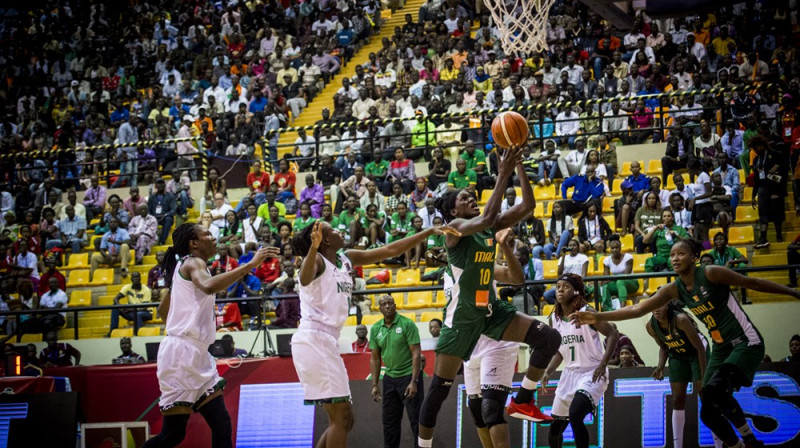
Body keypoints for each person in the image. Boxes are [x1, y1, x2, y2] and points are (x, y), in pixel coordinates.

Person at [570, 238, 800, 448]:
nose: (675, 258)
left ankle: (750, 440)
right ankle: (740, 444)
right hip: (721, 347)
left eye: (681, 254)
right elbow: (638, 308)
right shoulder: (674, 289)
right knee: (708, 414)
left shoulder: (711, 273)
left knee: (717, 390)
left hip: (744, 341)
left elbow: (754, 283)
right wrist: (599, 316)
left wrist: (792, 292)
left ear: (694, 257)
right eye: (672, 255)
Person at [419, 147, 562, 448]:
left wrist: (519, 166)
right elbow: (485, 219)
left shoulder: (486, 228)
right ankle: (423, 445)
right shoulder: (454, 229)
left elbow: (528, 206)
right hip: (462, 318)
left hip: (490, 311)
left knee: (548, 338)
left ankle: (523, 399)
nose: (470, 196)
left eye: (470, 194)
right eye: (463, 197)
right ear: (453, 211)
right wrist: (503, 172)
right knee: (439, 390)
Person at [291, 218, 457, 448]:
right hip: (313, 339)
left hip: (326, 341)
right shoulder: (317, 260)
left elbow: (389, 249)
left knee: (343, 420)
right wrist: (312, 247)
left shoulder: (346, 258)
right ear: (324, 239)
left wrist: (427, 232)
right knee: (342, 418)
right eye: (333, 229)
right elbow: (304, 278)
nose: (339, 229)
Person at [141, 224, 276, 448]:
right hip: (181, 354)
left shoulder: (183, 268)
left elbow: (163, 312)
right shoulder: (194, 262)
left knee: (219, 424)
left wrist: (184, 322)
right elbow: (208, 287)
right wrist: (250, 265)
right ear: (194, 243)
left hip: (192, 351)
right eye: (208, 235)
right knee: (173, 434)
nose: (214, 239)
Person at [462, 228, 526, 448]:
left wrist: (504, 246)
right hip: (471, 344)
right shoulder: (448, 273)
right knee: (476, 410)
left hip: (494, 340)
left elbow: (517, 279)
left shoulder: (484, 266)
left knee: (491, 409)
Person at [542, 273, 619, 448]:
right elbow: (560, 352)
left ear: (576, 291)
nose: (560, 289)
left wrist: (603, 363)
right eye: (558, 286)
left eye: (566, 286)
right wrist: (548, 371)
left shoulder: (587, 313)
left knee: (576, 414)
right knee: (554, 432)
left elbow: (613, 334)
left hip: (592, 372)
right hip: (569, 375)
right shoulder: (554, 318)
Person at [647, 300, 709, 448]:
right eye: (653, 306)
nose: (656, 309)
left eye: (659, 305)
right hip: (678, 354)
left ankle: (719, 443)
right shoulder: (651, 326)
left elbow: (700, 348)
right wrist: (660, 366)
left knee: (705, 395)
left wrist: (704, 374)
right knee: (677, 399)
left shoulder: (680, 319)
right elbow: (664, 347)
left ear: (667, 305)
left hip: (697, 352)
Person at [370, 295, 423, 448]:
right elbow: (375, 358)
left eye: (390, 303)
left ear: (395, 305)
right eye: (383, 304)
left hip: (408, 378)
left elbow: (416, 353)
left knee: (416, 420)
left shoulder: (407, 324)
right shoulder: (375, 329)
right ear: (379, 309)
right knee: (390, 422)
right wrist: (374, 384)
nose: (387, 306)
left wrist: (414, 381)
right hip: (389, 379)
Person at [108, 272, 154, 336]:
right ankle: (112, 331)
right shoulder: (127, 287)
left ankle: (138, 335)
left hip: (146, 313)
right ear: (131, 279)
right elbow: (115, 299)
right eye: (134, 277)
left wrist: (129, 309)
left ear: (140, 278)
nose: (135, 279)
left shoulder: (146, 290)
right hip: (132, 312)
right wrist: (120, 307)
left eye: (137, 277)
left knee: (138, 314)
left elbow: (144, 307)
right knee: (115, 306)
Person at [600, 236, 637, 310]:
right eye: (612, 248)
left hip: (631, 283)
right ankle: (607, 309)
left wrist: (611, 279)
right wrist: (603, 282)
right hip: (616, 283)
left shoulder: (628, 257)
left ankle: (622, 307)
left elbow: (626, 276)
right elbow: (606, 278)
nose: (615, 250)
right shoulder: (607, 260)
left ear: (620, 248)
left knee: (620, 281)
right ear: (610, 249)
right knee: (604, 286)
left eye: (617, 247)